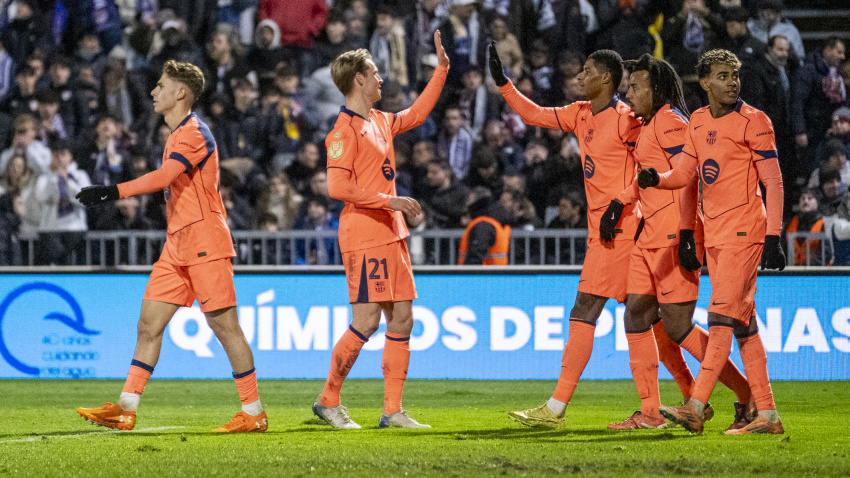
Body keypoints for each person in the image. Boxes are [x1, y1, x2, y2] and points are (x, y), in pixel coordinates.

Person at [74, 60, 267, 433]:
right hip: (177, 246)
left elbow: (165, 177)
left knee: (226, 328)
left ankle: (254, 412)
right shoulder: (175, 135)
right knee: (148, 325)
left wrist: (112, 191)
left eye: (160, 85)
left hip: (205, 243)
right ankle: (126, 407)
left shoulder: (195, 132)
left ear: (181, 92)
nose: (153, 91)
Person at [490, 44, 643, 428]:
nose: (578, 76)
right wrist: (503, 84)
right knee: (658, 322)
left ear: (607, 77)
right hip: (602, 233)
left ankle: (557, 407)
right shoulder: (580, 114)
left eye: (586, 70)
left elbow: (652, 171)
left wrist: (622, 205)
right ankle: (718, 397)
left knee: (591, 310)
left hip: (623, 230)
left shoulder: (628, 120)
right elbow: (535, 114)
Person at [603, 54, 755, 431]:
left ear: (656, 89)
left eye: (636, 86)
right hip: (648, 235)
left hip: (674, 235)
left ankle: (746, 393)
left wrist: (688, 232)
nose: (629, 92)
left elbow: (686, 178)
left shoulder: (671, 123)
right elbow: (649, 176)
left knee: (677, 326)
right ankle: (651, 413)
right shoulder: (652, 123)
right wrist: (621, 202)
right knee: (637, 313)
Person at [637, 49, 785, 434]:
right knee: (743, 327)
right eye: (722, 76)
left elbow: (774, 181)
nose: (731, 82)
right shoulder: (699, 121)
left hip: (746, 232)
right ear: (704, 82)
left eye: (734, 75)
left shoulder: (755, 121)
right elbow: (686, 172)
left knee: (719, 319)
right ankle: (767, 415)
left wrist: (774, 236)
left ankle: (696, 405)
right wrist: (660, 180)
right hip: (716, 237)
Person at [311, 31, 448, 429]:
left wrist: (440, 71)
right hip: (366, 234)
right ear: (357, 79)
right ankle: (328, 400)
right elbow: (337, 188)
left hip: (392, 233)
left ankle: (392, 411)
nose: (380, 79)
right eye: (373, 72)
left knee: (402, 318)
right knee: (367, 320)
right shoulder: (343, 132)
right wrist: (391, 201)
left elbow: (418, 114)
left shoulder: (382, 121)